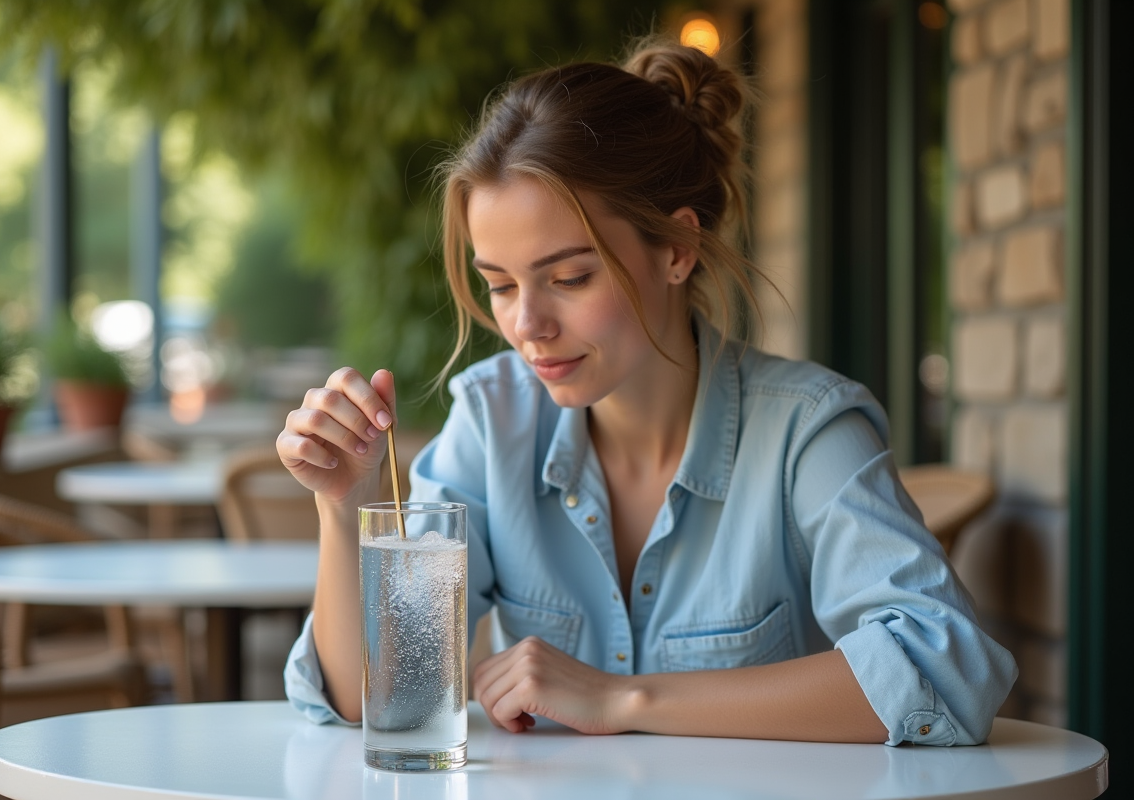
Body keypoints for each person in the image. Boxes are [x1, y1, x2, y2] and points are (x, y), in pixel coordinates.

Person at [276, 39, 1016, 746]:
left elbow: (945, 668)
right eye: (499, 284)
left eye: (570, 278)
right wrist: (345, 509)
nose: (526, 325)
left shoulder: (807, 431)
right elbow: (382, 698)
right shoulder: (491, 421)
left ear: (677, 248)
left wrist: (620, 699)